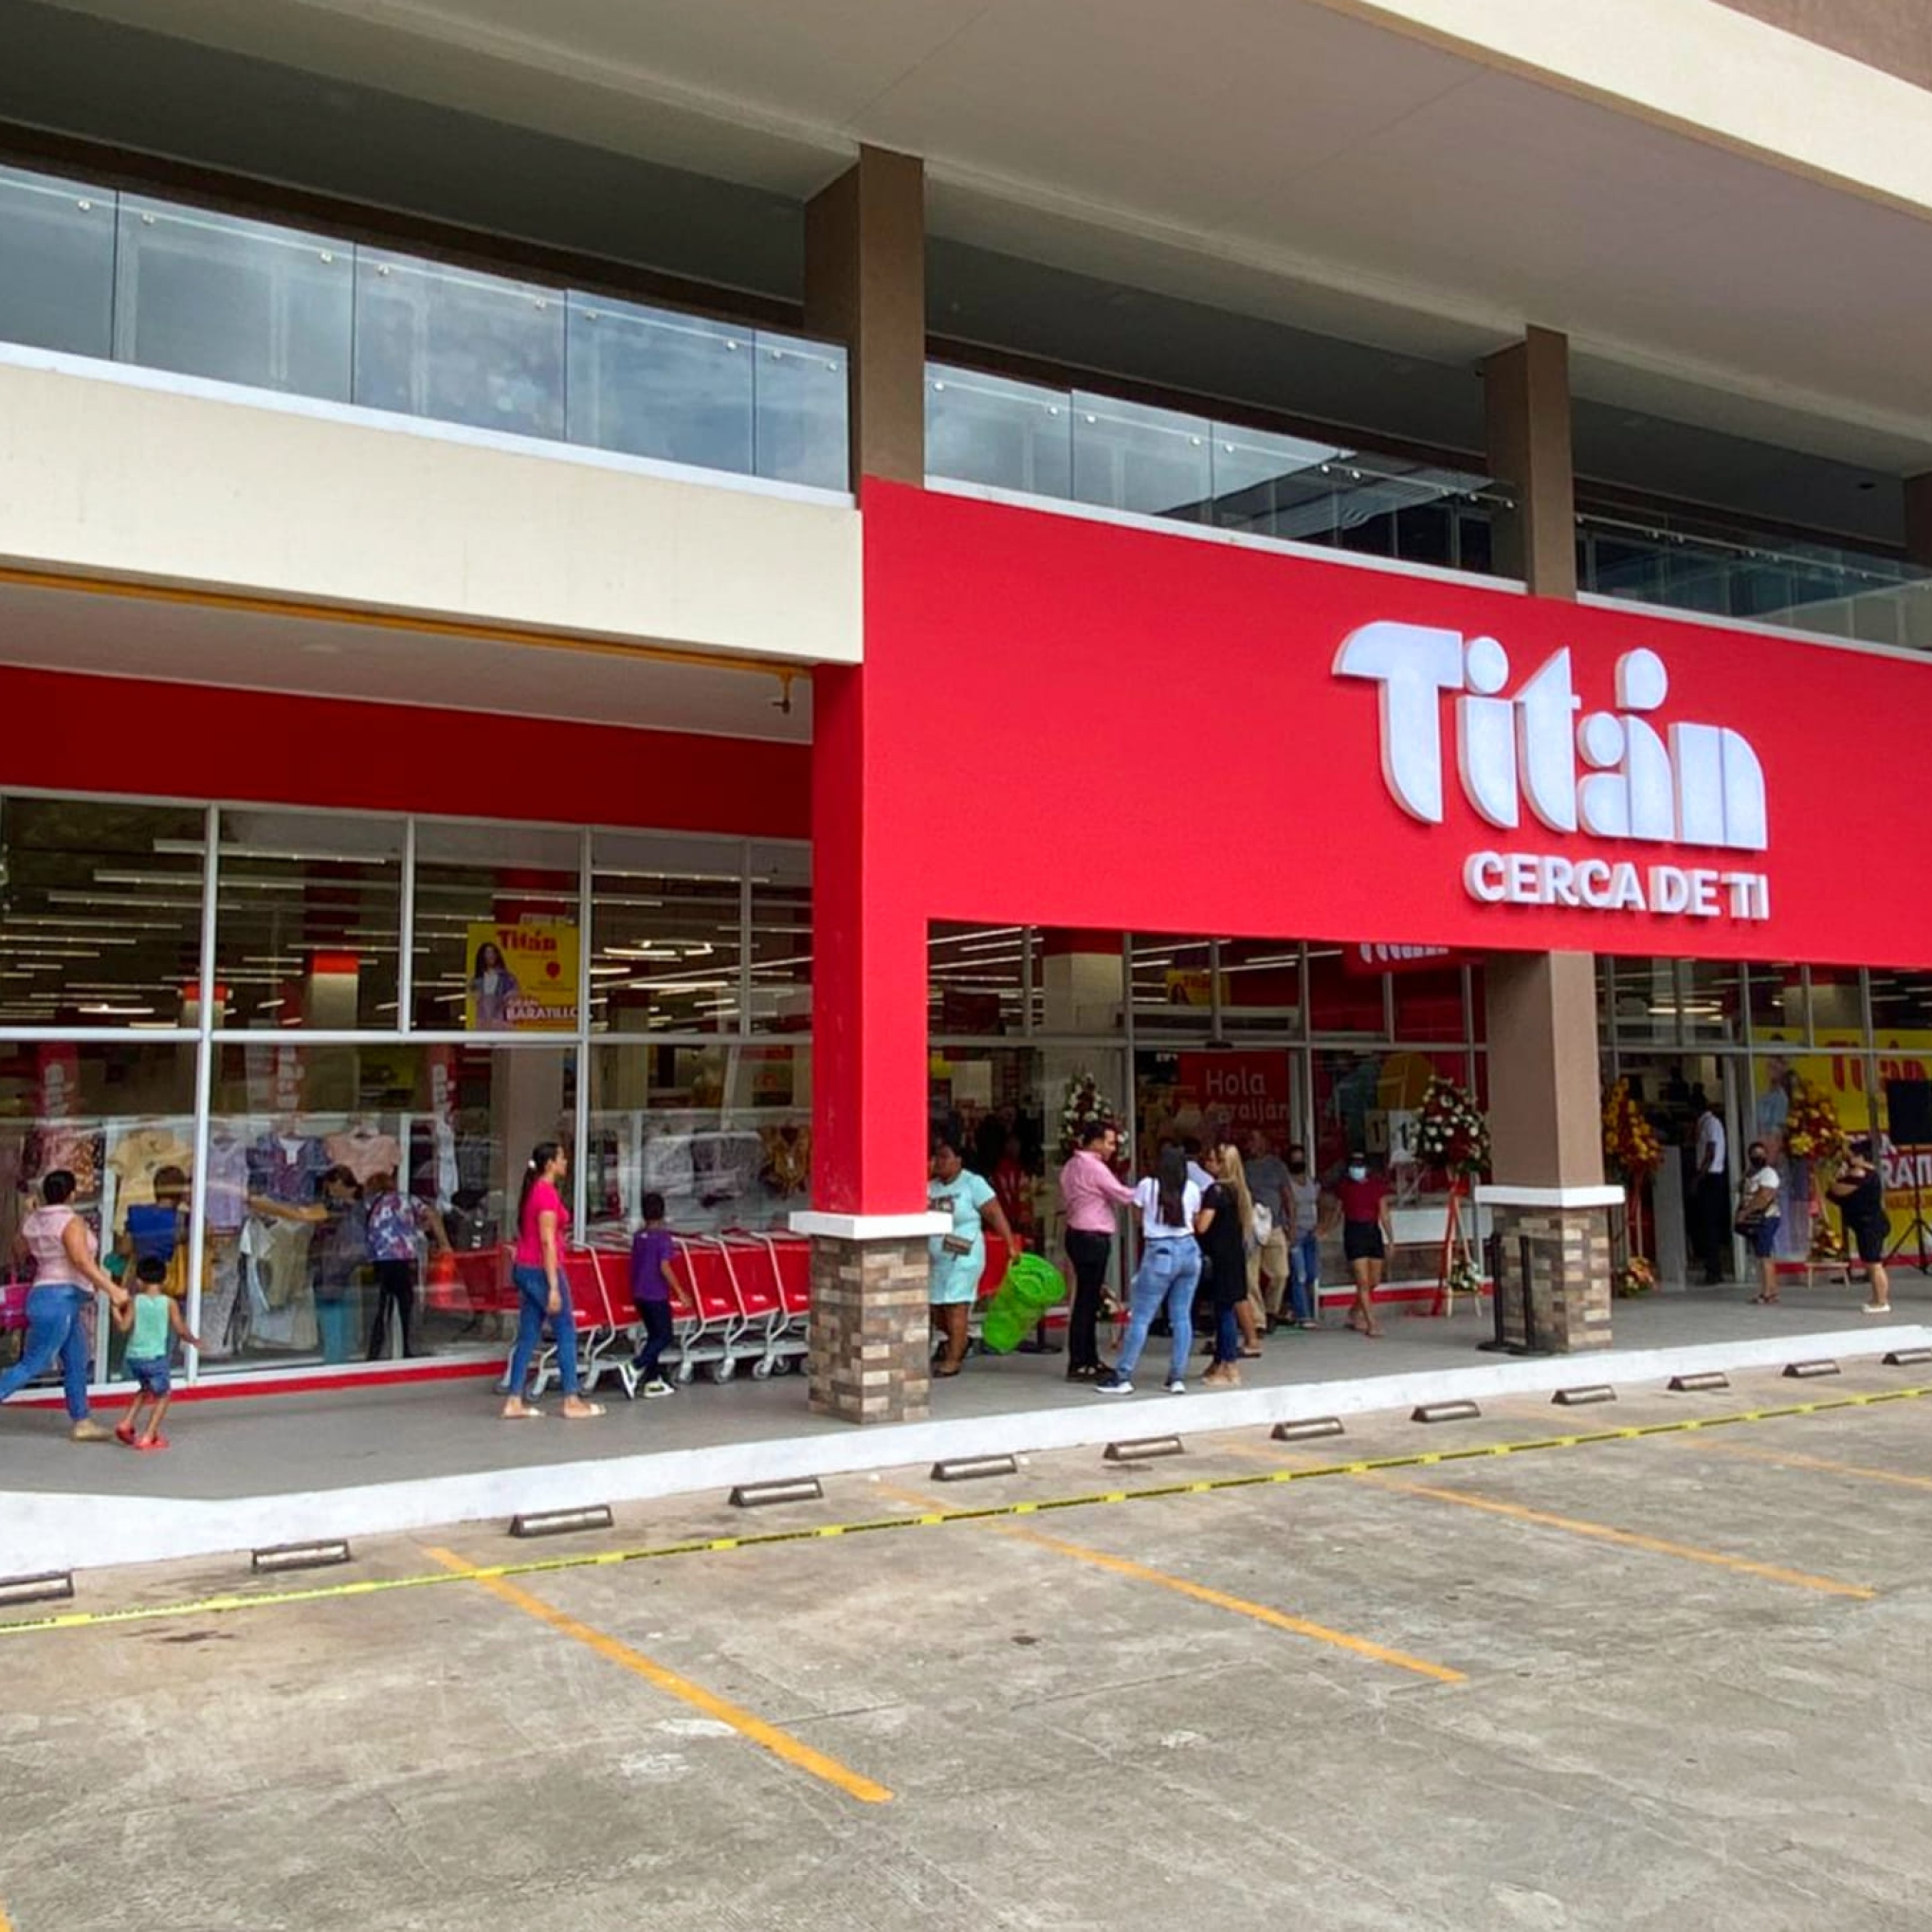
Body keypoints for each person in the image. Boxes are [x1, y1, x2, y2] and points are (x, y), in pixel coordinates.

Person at [0, 1169, 129, 1441]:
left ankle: (82, 1420)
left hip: (45, 1294)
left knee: (76, 1359)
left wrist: (29, 1216)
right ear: (71, 1194)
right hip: (61, 1298)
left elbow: (18, 1251)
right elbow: (81, 1261)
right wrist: (112, 1289)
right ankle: (81, 1419)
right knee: (34, 1363)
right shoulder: (71, 1222)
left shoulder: (34, 1220)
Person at [501, 1140, 603, 1421]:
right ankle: (571, 1399)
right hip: (542, 1270)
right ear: (550, 1164)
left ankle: (514, 1399)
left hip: (526, 1268)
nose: (565, 1162)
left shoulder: (534, 1191)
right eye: (561, 1158)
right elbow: (546, 1242)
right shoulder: (546, 1194)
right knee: (566, 1330)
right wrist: (554, 1286)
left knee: (529, 1333)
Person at [1097, 1146, 1203, 1395]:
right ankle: (1176, 1377)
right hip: (1189, 1250)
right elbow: (1195, 1220)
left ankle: (1123, 1375)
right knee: (1182, 1317)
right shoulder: (1192, 1188)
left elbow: (1137, 1217)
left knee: (1142, 1317)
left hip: (1160, 1250)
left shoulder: (1147, 1186)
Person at [928, 1127, 1015, 1377]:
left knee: (956, 1305)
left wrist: (1010, 1243)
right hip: (936, 1259)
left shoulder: (972, 1183)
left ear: (958, 1160)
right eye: (936, 1157)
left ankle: (953, 1359)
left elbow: (994, 1213)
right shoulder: (929, 1187)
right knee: (937, 1308)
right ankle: (960, 1340)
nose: (939, 1162)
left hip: (963, 1255)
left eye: (945, 1157)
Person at [1058, 1119, 1138, 1382]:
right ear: (1096, 1142)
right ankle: (1082, 1361)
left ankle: (1086, 1358)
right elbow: (1122, 1194)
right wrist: (1149, 1191)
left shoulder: (1071, 1165)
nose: (1113, 1148)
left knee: (1085, 1299)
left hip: (1075, 1232)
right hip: (1092, 1236)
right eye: (1110, 1143)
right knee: (1087, 1301)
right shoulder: (1094, 1167)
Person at [111, 1255, 203, 1450]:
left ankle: (126, 1423)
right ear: (164, 1279)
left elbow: (124, 1327)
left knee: (145, 1389)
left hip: (134, 1357)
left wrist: (115, 1311)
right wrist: (193, 1340)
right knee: (163, 1395)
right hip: (156, 1358)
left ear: (139, 1281)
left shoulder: (136, 1301)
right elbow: (180, 1329)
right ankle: (149, 1436)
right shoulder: (169, 1303)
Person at [363, 1169, 451, 1360]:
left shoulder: (371, 1203)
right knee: (407, 1305)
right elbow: (432, 1215)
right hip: (404, 1257)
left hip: (380, 1259)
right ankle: (408, 1349)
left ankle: (375, 1352)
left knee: (381, 1308)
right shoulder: (407, 1200)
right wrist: (444, 1243)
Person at [1195, 1144, 1253, 1387]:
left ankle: (1229, 1364)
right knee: (1226, 1308)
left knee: (1224, 1312)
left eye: (1211, 1160)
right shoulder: (1239, 1191)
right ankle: (1220, 1360)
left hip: (1219, 1257)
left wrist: (1192, 1215)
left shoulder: (1216, 1191)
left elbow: (1202, 1226)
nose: (1207, 1164)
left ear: (1221, 1164)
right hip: (1234, 1256)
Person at [311, 1165, 368, 1365]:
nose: (331, 1191)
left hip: (340, 1264)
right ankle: (338, 1352)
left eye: (332, 1186)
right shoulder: (344, 1208)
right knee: (338, 1309)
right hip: (335, 1263)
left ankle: (336, 1354)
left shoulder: (353, 1210)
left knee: (336, 1309)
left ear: (342, 1184)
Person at [1828, 1145, 1892, 1314]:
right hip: (1868, 1223)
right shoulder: (1869, 1172)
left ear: (1861, 1157)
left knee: (1874, 1263)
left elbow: (1836, 1190)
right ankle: (1877, 1297)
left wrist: (1838, 1177)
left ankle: (1881, 1301)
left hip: (1869, 1225)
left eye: (1852, 1156)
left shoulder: (1860, 1173)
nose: (1849, 1159)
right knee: (1871, 1263)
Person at [1335, 1153, 1393, 1339]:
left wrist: (1390, 1239)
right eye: (1354, 1165)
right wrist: (1325, 1229)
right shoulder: (1344, 1187)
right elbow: (1337, 1212)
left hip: (1372, 1232)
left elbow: (1384, 1214)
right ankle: (1371, 1323)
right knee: (1362, 1281)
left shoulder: (1376, 1186)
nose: (1356, 1169)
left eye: (1360, 1165)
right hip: (1354, 1232)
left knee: (1374, 1280)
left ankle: (1354, 1311)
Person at [1243, 1129, 1293, 1330]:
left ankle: (1271, 1310)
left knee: (1281, 1272)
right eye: (1249, 1141)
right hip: (1252, 1227)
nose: (1251, 1145)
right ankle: (1258, 1320)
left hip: (1275, 1225)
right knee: (1250, 1277)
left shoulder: (1276, 1166)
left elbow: (1287, 1195)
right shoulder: (1245, 1167)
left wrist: (1291, 1224)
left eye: (1255, 1140)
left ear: (1265, 1142)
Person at [629, 1190, 678, 1395]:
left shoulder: (638, 1237)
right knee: (665, 1336)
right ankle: (635, 1366)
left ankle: (652, 1379)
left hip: (639, 1294)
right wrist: (680, 1291)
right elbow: (664, 1266)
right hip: (656, 1294)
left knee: (654, 1336)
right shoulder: (663, 1239)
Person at [1738, 1140, 1783, 1304]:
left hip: (1766, 1217)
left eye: (1761, 1153)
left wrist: (1745, 1212)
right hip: (1756, 1218)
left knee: (1764, 1255)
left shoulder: (1768, 1174)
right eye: (1755, 1154)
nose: (1758, 1157)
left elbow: (1764, 1196)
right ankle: (1771, 1289)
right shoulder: (1751, 1173)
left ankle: (1767, 1293)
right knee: (1764, 1255)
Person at [1285, 1142, 1322, 1329]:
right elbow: (1288, 1207)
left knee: (1311, 1273)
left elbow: (1321, 1202)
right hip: (1296, 1232)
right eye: (1295, 1159)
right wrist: (1290, 1231)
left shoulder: (1311, 1182)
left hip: (1311, 1231)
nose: (1298, 1162)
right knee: (1299, 1275)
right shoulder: (1286, 1183)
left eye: (1300, 1158)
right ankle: (1303, 1315)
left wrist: (1321, 1226)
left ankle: (1293, 1307)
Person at [1694, 1101, 1729, 1285]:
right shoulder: (1704, 1123)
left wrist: (1699, 1176)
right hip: (1708, 1176)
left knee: (1710, 1225)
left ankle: (1714, 1271)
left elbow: (1711, 1150)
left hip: (1711, 1177)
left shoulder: (1711, 1123)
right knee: (1705, 1225)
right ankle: (1712, 1268)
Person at [470, 941, 521, 1028]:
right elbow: (474, 995)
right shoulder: (476, 979)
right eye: (488, 953)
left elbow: (514, 993)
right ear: (482, 956)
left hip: (501, 1018)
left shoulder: (507, 977)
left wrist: (506, 999)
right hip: (483, 1020)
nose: (491, 955)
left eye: (493, 952)